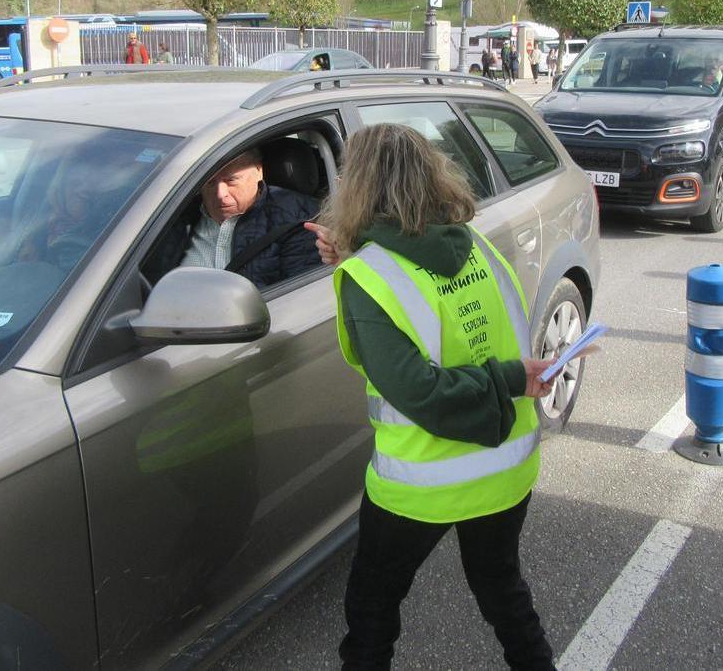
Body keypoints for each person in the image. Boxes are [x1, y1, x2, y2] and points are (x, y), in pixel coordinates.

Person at [315, 123, 590, 670]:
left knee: (372, 612)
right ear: (430, 176)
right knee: (504, 598)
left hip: (420, 484)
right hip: (504, 468)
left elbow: (419, 391)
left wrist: (511, 377)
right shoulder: (478, 248)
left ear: (360, 188)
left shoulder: (368, 278)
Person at [171, 148, 322, 289]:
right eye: (210, 182)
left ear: (259, 171)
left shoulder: (299, 221)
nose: (220, 194)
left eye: (231, 181)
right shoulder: (176, 213)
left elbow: (299, 299)